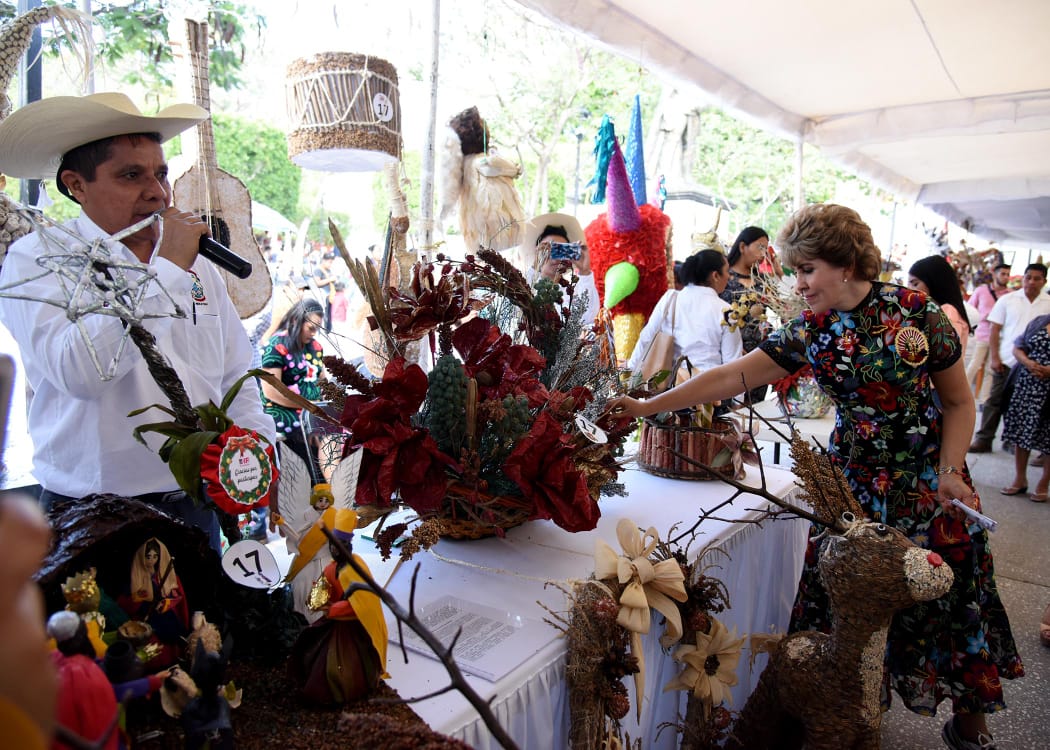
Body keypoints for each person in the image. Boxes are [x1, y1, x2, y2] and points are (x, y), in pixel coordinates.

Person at [613, 204, 1022, 749]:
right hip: (849, 488)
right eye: (794, 270)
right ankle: (850, 724)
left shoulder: (914, 311)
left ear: (846, 265)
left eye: (806, 270)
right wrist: (647, 407)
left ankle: (972, 732)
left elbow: (958, 401)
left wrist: (950, 471)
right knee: (842, 613)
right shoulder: (812, 329)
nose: (797, 283)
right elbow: (731, 375)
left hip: (929, 483)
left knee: (950, 596)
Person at [0, 93, 275, 553]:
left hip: (195, 506)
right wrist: (165, 270)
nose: (158, 192)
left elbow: (235, 372)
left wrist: (255, 449)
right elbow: (81, 372)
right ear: (76, 185)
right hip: (89, 515)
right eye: (132, 175)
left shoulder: (195, 264)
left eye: (160, 173)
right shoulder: (40, 258)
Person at [626, 249, 742, 382]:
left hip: (671, 386)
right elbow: (733, 362)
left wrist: (630, 372)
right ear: (715, 275)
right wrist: (737, 400)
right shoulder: (726, 311)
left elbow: (646, 338)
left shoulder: (670, 299)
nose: (729, 276)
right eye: (727, 271)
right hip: (710, 389)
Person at [968, 263, 1050, 453]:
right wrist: (995, 358)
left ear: (1044, 281)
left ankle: (1014, 442)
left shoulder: (1047, 303)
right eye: (1028, 277)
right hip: (1006, 360)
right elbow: (994, 330)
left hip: (1036, 365)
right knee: (994, 401)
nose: (1031, 282)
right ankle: (984, 439)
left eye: (1037, 278)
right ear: (1022, 278)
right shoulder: (1008, 299)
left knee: (1023, 406)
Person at [259, 298, 326, 467]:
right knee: (312, 443)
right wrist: (308, 408)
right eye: (311, 328)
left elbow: (323, 380)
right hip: (283, 413)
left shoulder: (315, 347)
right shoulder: (276, 346)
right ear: (296, 320)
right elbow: (271, 391)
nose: (313, 333)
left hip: (311, 412)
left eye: (317, 329)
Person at [719, 226, 776, 402]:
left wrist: (778, 272)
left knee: (754, 408)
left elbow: (781, 308)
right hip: (731, 352)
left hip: (760, 353)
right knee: (729, 407)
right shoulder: (723, 278)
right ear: (743, 246)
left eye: (766, 249)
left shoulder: (763, 280)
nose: (763, 253)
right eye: (760, 247)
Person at [998, 313, 1050, 499]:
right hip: (1028, 385)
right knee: (1021, 432)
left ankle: (1044, 483)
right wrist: (1028, 363)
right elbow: (1018, 347)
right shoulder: (1039, 321)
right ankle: (1020, 480)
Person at [117, 537, 189, 667]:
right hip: (146, 617)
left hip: (165, 613)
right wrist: (141, 598)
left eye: (155, 556)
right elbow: (125, 601)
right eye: (148, 557)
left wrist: (166, 602)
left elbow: (176, 595)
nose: (151, 560)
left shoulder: (163, 575)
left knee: (173, 630)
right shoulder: (136, 577)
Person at [520, 213, 600, 325]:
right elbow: (518, 307)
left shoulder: (573, 290)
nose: (555, 257)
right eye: (548, 249)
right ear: (537, 251)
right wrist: (535, 267)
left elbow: (587, 318)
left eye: (561, 250)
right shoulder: (523, 284)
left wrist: (585, 272)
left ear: (569, 253)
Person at [966, 264, 1013, 403]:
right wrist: (982, 317)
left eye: (1007, 274)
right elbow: (970, 308)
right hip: (982, 334)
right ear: (995, 274)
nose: (1005, 277)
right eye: (1003, 273)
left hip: (999, 337)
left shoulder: (1010, 295)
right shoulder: (982, 290)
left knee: (990, 370)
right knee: (974, 364)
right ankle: (965, 394)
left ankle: (983, 399)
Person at [908, 255, 971, 355]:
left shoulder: (947, 312)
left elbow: (942, 354)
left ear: (934, 282)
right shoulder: (941, 311)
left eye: (915, 284)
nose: (909, 289)